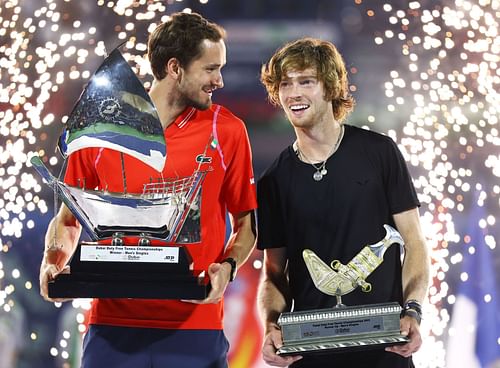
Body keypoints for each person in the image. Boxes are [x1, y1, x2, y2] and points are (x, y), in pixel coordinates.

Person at [39, 12, 257, 368]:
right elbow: (68, 220)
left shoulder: (227, 130)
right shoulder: (100, 129)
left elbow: (247, 224)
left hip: (195, 326)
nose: (219, 80)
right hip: (112, 326)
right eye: (210, 69)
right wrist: (54, 259)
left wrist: (228, 268)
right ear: (175, 68)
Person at [256, 37, 430, 367]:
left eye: (306, 81)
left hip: (385, 350)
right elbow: (274, 274)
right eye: (285, 84)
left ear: (331, 86)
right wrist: (271, 327)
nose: (293, 93)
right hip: (310, 354)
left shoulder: (380, 153)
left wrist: (413, 310)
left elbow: (415, 244)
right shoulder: (273, 180)